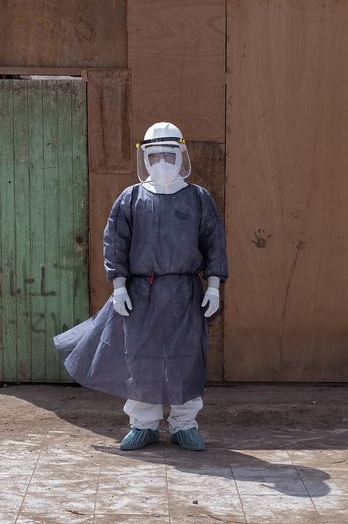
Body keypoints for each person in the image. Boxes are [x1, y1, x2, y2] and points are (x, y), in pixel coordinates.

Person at [54, 122, 228, 451]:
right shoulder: (131, 198)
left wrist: (214, 286)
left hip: (183, 293)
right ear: (144, 158)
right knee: (140, 358)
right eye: (154, 155)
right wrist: (119, 286)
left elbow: (214, 244)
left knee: (185, 358)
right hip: (141, 293)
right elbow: (115, 244)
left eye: (168, 154)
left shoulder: (198, 199)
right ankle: (143, 424)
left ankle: (184, 423)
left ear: (181, 155)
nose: (162, 161)